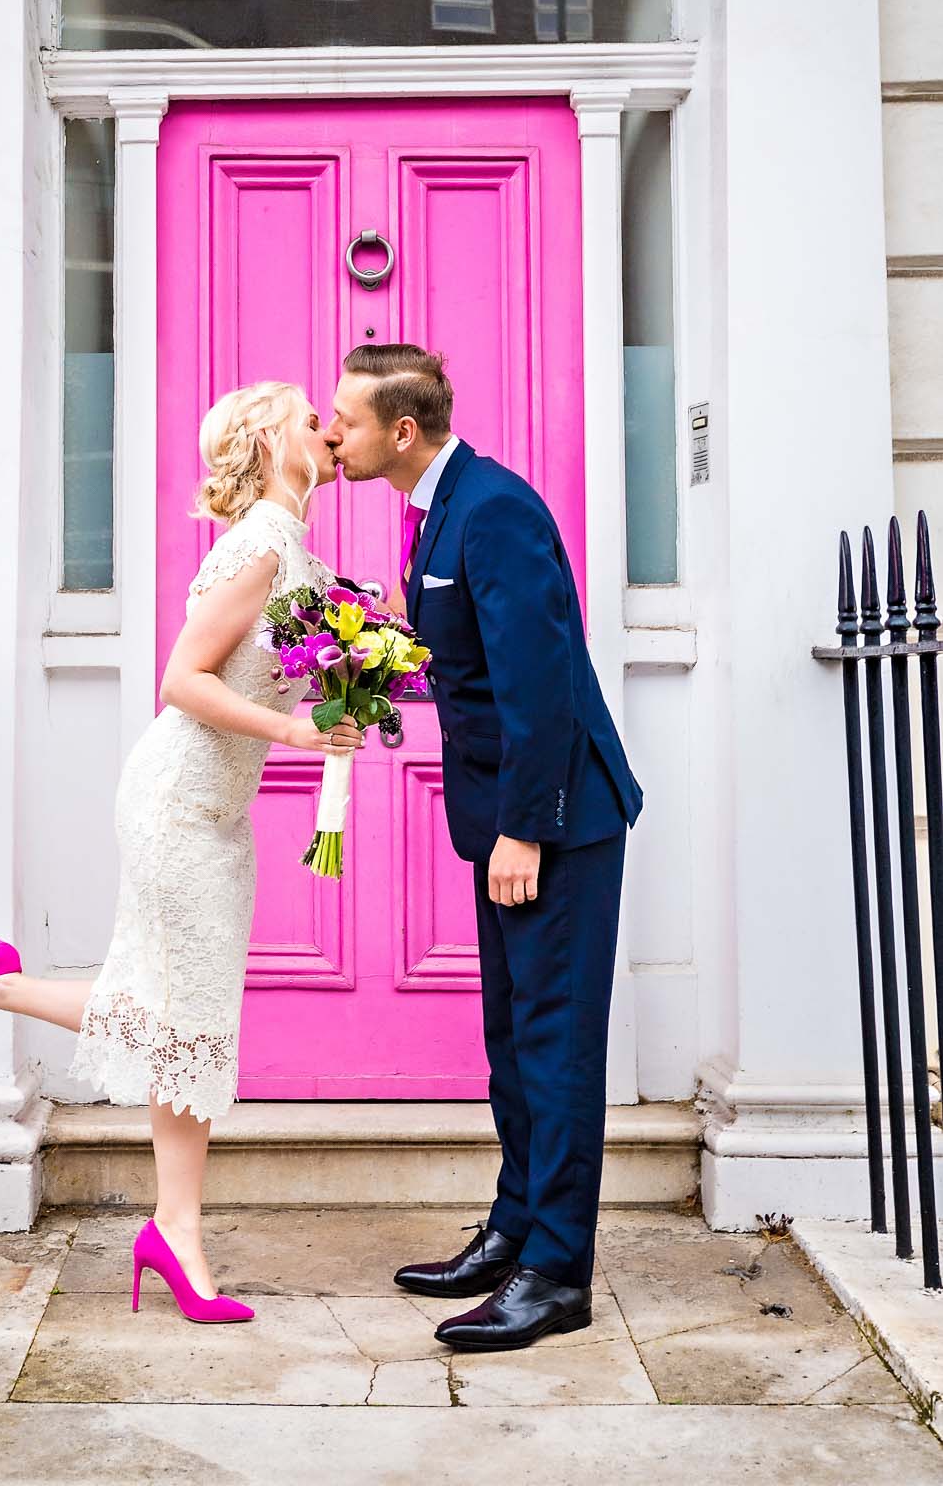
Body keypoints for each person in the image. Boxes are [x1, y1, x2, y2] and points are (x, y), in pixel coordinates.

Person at [0, 380, 361, 1324]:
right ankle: (178, 1232)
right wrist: (296, 739)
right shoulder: (256, 543)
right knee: (188, 1016)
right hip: (177, 800)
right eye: (307, 419)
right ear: (269, 441)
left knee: (184, 1014)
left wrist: (354, 694)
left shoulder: (298, 549)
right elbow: (181, 679)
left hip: (219, 808)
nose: (327, 429)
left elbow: (287, 676)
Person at [324, 343, 643, 1353]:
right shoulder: (437, 507)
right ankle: (513, 1228)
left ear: (401, 431)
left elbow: (541, 681)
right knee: (512, 1040)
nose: (332, 432)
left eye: (347, 418)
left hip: (555, 821)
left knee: (554, 1043)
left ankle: (555, 1270)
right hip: (505, 814)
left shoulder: (494, 508)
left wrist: (523, 826)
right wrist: (371, 651)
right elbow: (467, 660)